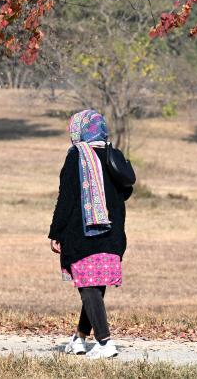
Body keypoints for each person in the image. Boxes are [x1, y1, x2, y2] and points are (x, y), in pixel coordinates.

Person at [48, 109, 132, 359]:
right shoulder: (113, 154)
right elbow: (126, 191)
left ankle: (105, 343)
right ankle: (79, 338)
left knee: (88, 286)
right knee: (95, 284)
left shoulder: (76, 156)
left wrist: (55, 232)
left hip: (83, 232)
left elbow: (66, 198)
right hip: (113, 231)